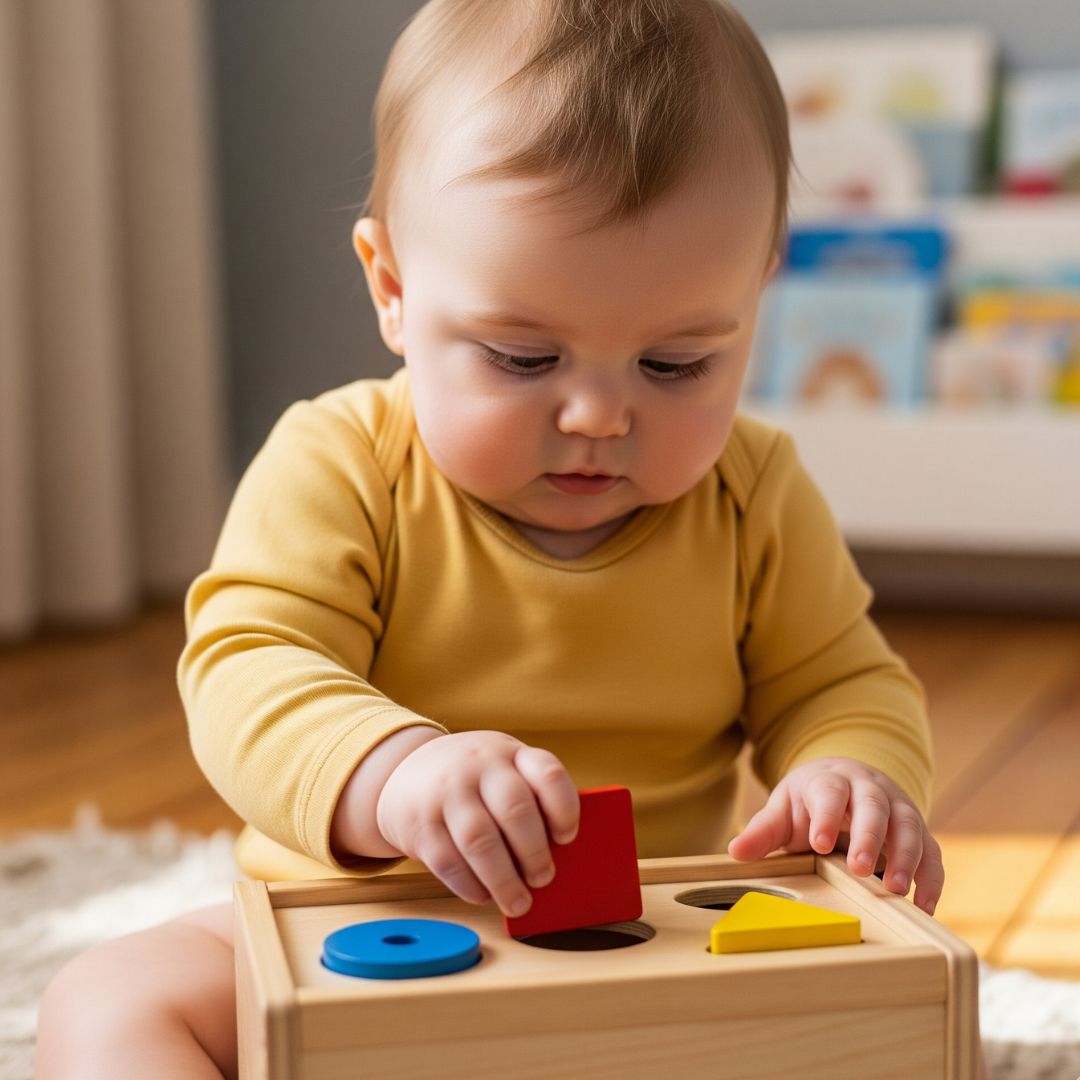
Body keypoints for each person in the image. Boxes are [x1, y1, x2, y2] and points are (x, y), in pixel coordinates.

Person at [35, 1, 944, 1076]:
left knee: (906, 1008)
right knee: (109, 1004)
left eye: (676, 364)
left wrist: (852, 774)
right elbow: (249, 668)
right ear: (394, 291)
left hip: (652, 950)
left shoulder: (754, 494)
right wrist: (391, 770)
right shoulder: (344, 463)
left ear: (756, 293)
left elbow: (842, 681)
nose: (599, 417)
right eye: (521, 358)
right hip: (344, 935)